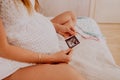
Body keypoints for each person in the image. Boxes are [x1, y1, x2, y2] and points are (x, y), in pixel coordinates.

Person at [0, 0, 85, 80]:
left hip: (29, 34)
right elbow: (3, 50)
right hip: (11, 56)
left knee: (71, 16)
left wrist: (55, 27)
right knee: (72, 75)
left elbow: (30, 15)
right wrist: (51, 58)